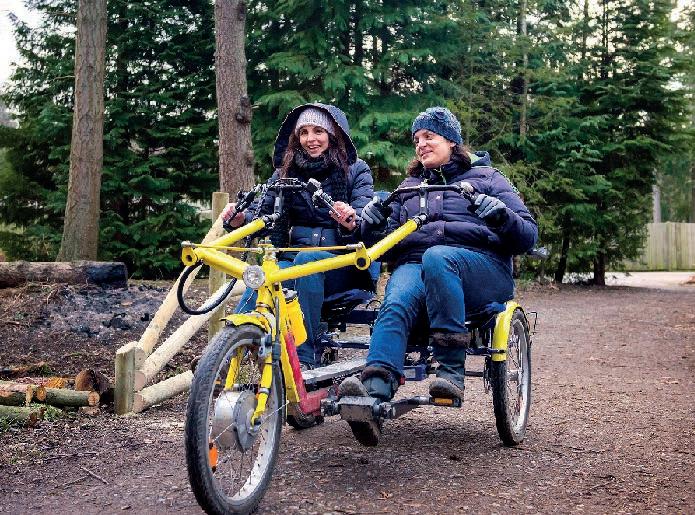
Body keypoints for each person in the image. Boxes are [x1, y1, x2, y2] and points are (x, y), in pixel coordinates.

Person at [338, 107, 538, 436]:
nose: (421, 144)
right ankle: (372, 395)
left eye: (429, 136)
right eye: (417, 139)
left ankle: (451, 371)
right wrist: (370, 227)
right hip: (418, 266)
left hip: (481, 269)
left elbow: (528, 235)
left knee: (438, 257)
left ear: (452, 141)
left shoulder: (489, 178)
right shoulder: (408, 187)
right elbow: (385, 246)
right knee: (397, 298)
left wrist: (502, 216)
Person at [222, 103, 374, 368]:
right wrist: (240, 219)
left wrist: (351, 220)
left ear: (333, 135)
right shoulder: (285, 173)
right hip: (293, 262)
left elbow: (365, 220)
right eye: (304, 132)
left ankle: (304, 357)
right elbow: (263, 215)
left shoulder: (356, 170)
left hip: (342, 265)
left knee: (306, 262)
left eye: (318, 131)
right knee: (264, 276)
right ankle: (227, 352)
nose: (310, 139)